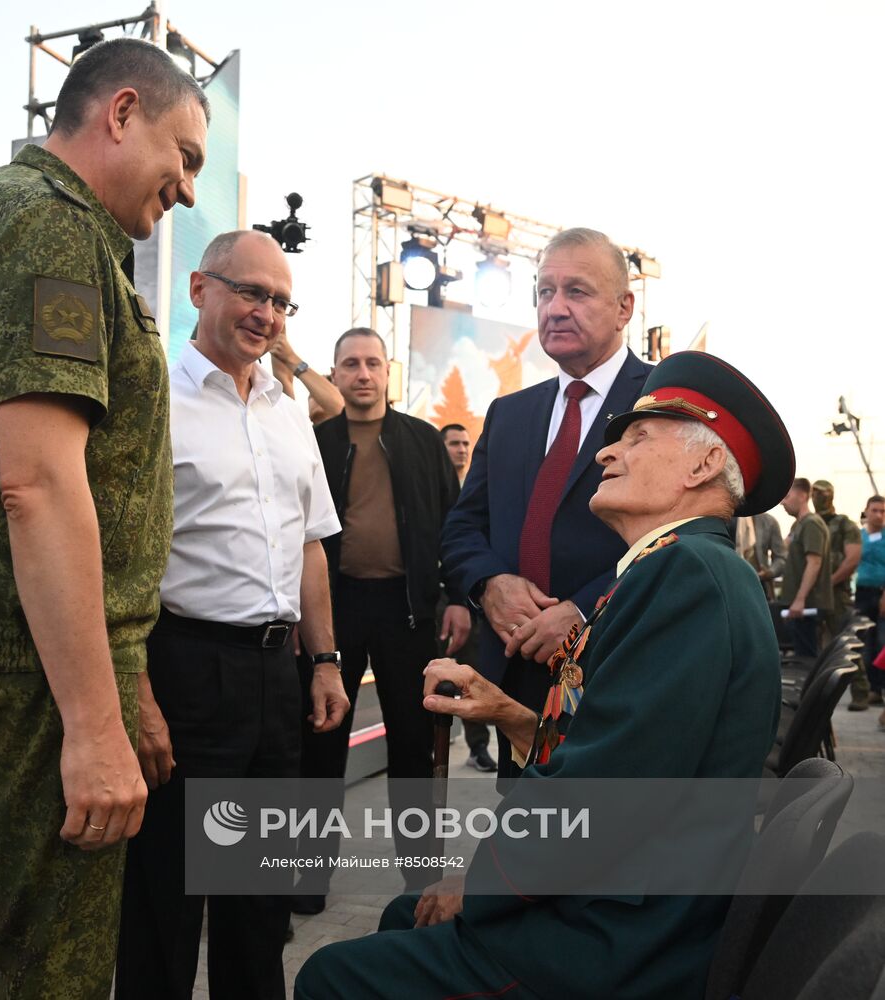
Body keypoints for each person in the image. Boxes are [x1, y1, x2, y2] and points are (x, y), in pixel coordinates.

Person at [296, 350, 793, 1000]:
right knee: (401, 918)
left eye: (636, 438)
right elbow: (630, 752)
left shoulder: (683, 575)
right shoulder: (679, 569)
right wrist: (509, 712)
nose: (606, 454)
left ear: (702, 465)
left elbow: (601, 803)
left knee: (330, 977)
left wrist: (476, 887)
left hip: (620, 944)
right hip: (634, 912)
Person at [0, 38, 210, 998]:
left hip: (36, 652)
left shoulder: (14, 216)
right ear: (120, 113)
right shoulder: (50, 229)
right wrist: (90, 723)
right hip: (39, 667)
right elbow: (34, 484)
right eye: (184, 154)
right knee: (43, 965)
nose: (188, 190)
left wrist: (121, 679)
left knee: (2, 938)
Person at [114, 230, 349, 1000]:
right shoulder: (149, 398)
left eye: (279, 301)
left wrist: (321, 661)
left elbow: (310, 544)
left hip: (274, 680)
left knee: (260, 906)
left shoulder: (287, 409)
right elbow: (112, 559)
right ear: (197, 290)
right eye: (250, 292)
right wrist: (139, 693)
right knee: (165, 906)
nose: (266, 314)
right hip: (184, 669)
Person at [440, 227, 653, 780]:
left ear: (624, 306)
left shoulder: (662, 403)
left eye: (577, 292)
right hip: (514, 676)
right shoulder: (509, 414)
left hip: (620, 669)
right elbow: (463, 527)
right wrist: (490, 584)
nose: (555, 308)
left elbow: (684, 537)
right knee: (524, 845)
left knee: (601, 847)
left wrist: (583, 611)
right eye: (543, 291)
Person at [291, 326, 468, 915]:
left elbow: (453, 527)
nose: (362, 374)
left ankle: (421, 880)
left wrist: (458, 598)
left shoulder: (422, 442)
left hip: (408, 613)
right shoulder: (312, 441)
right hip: (332, 612)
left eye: (372, 363)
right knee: (321, 748)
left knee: (414, 750)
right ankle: (306, 882)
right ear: (335, 373)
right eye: (350, 364)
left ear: (387, 371)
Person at [436, 421, 495, 769]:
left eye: (464, 443)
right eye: (453, 443)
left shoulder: (476, 486)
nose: (460, 449)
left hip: (469, 595)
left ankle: (478, 745)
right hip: (436, 595)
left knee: (471, 672)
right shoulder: (435, 484)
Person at [812, 479, 866, 707]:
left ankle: (861, 693)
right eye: (814, 493)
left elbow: (852, 559)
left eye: (821, 494)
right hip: (813, 596)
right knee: (812, 647)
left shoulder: (845, 524)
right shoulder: (808, 523)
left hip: (836, 596)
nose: (818, 498)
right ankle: (813, 695)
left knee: (844, 645)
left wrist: (829, 583)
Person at [779, 477, 831, 657]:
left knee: (806, 659)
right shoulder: (799, 525)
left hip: (806, 607)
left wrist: (800, 599)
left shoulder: (811, 524)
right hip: (798, 606)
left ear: (802, 496)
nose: (782, 503)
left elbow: (814, 562)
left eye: (786, 496)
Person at [857, 495, 885, 712]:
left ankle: (878, 688)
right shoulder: (859, 537)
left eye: (883, 511)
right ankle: (870, 690)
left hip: (882, 593)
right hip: (863, 593)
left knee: (881, 642)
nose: (878, 515)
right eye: (875, 510)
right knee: (865, 643)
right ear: (866, 511)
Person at [736, 511, 787, 602]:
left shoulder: (769, 522)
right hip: (732, 587)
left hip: (761, 589)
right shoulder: (725, 519)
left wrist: (770, 572)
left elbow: (781, 557)